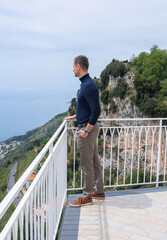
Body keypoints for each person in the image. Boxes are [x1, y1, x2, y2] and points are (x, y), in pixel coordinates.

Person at [64, 55, 105, 207]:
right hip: (87, 128)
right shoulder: (86, 83)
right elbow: (87, 108)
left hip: (87, 131)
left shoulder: (88, 85)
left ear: (79, 66)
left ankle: (87, 197)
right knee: (95, 162)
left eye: (73, 66)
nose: (73, 69)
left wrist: (86, 131)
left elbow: (96, 111)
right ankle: (99, 192)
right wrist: (74, 116)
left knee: (87, 165)